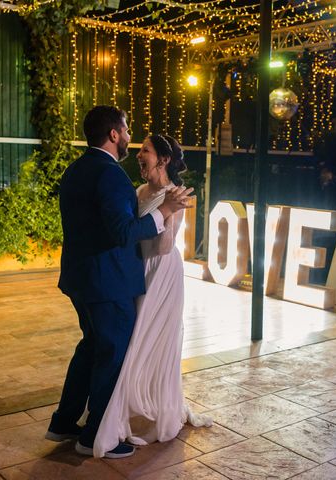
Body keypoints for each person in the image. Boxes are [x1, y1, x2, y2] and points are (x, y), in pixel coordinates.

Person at [45, 106, 193, 459]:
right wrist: (163, 212)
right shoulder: (110, 175)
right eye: (127, 131)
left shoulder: (76, 169)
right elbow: (122, 232)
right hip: (107, 281)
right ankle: (95, 434)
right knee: (111, 353)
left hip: (81, 278)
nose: (130, 138)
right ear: (114, 134)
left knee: (92, 346)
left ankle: (63, 422)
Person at [93, 134, 212, 458]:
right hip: (136, 269)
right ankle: (130, 405)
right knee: (132, 338)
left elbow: (162, 246)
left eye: (145, 150)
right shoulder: (139, 191)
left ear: (163, 159)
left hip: (161, 273)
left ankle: (150, 406)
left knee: (151, 339)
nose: (138, 155)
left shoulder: (176, 195)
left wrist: (169, 211)